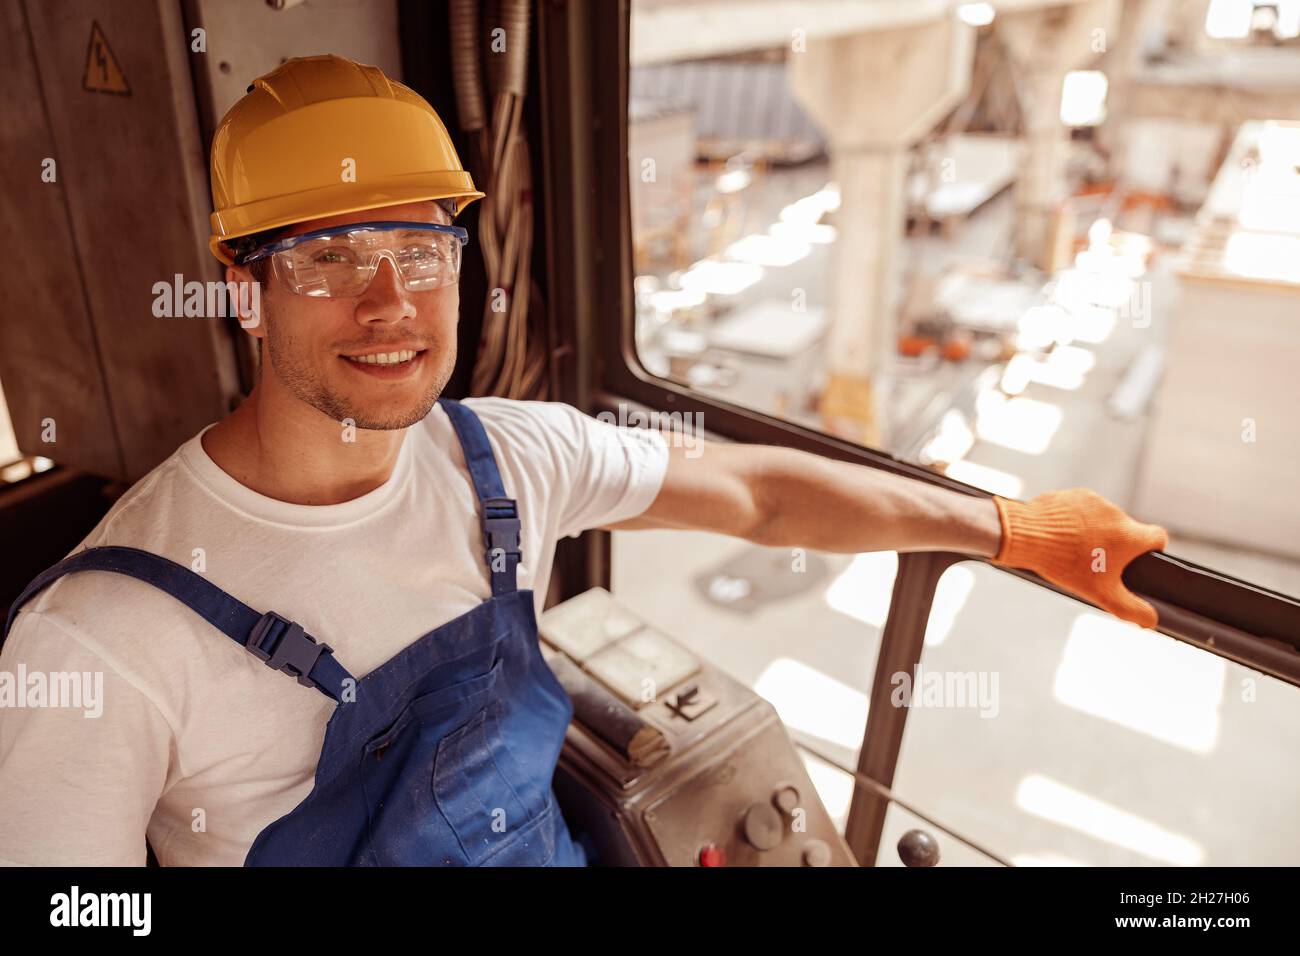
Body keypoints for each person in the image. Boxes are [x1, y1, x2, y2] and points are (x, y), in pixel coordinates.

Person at [0, 54, 1166, 866]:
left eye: (420, 248)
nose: (391, 303)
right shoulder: (104, 638)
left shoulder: (506, 456)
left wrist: (1009, 528)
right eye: (328, 257)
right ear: (244, 290)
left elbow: (758, 492)